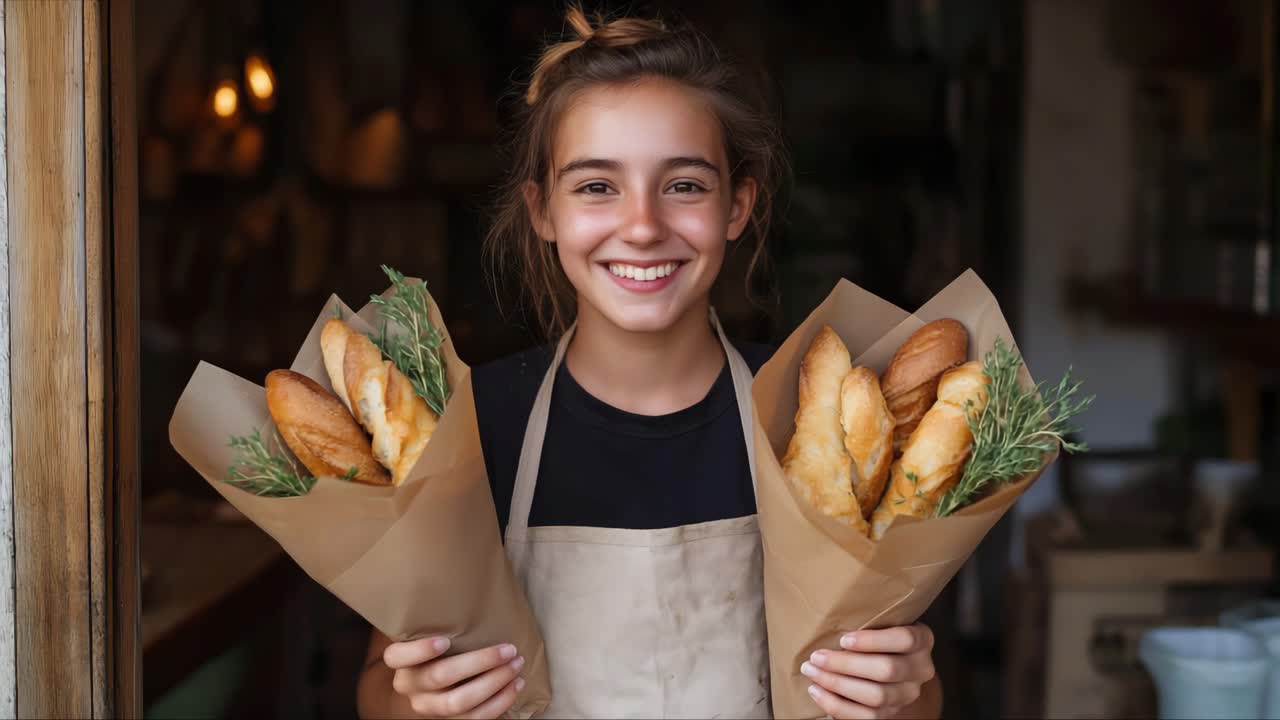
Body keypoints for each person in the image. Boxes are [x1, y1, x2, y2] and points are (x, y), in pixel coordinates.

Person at [356, 4, 940, 718]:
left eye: (685, 185)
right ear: (543, 210)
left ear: (738, 205)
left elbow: (910, 696)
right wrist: (415, 698)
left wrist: (901, 690)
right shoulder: (468, 424)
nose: (641, 226)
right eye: (597, 186)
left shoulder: (821, 414)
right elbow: (381, 689)